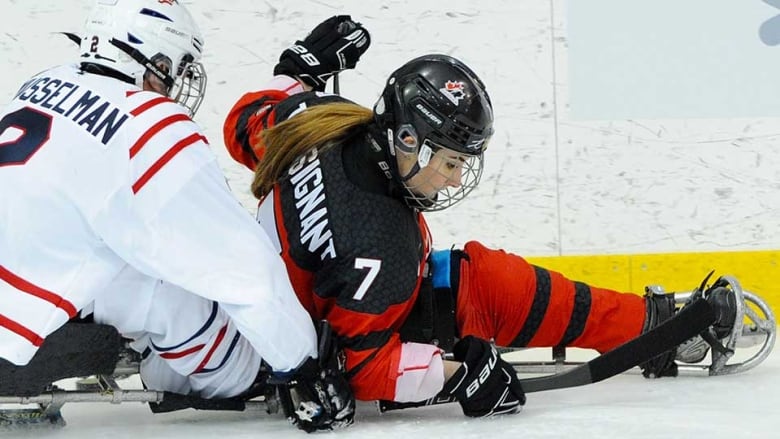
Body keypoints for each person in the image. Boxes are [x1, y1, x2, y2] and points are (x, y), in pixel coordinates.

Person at [222, 16, 741, 418]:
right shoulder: (381, 243)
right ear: (407, 141)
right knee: (489, 286)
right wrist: (457, 375)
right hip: (301, 336)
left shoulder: (319, 123)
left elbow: (241, 123)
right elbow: (364, 369)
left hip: (301, 293)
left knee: (486, 277)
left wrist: (297, 77)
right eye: (448, 162)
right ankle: (659, 331)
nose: (453, 178)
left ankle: (646, 326)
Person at [0, 0, 353, 432]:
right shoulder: (151, 122)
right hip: (15, 328)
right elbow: (243, 269)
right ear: (153, 60)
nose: (176, 82)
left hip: (26, 269)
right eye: (176, 66)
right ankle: (220, 370)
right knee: (182, 298)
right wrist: (302, 363)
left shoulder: (46, 80)